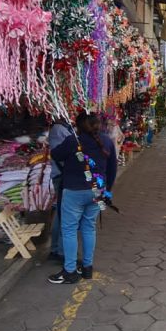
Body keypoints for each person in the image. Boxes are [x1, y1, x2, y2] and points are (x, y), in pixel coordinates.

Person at [48, 112, 118, 284]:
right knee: (89, 227)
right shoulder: (107, 141)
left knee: (70, 229)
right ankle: (87, 268)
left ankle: (70, 271)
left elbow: (56, 154)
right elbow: (113, 168)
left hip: (74, 191)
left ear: (79, 126)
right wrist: (106, 190)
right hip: (97, 190)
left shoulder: (73, 140)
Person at [46, 116, 72, 263]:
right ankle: (60, 252)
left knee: (61, 214)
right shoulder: (58, 130)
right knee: (65, 215)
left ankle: (55, 249)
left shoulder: (62, 129)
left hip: (62, 176)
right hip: (62, 176)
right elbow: (59, 154)